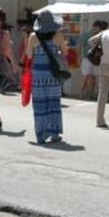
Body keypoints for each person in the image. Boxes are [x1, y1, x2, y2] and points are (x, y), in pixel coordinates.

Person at [25, 10, 68, 145]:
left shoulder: (33, 36)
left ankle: (41, 135)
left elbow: (29, 55)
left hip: (38, 75)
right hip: (53, 74)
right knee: (53, 103)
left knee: (39, 104)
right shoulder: (58, 35)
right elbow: (65, 52)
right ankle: (54, 133)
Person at [80, 19, 105, 98]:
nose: (99, 30)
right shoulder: (86, 34)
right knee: (86, 76)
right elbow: (80, 45)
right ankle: (82, 93)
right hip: (86, 57)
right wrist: (79, 57)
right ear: (95, 27)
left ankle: (90, 94)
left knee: (93, 77)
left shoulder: (100, 35)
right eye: (99, 28)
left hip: (95, 58)